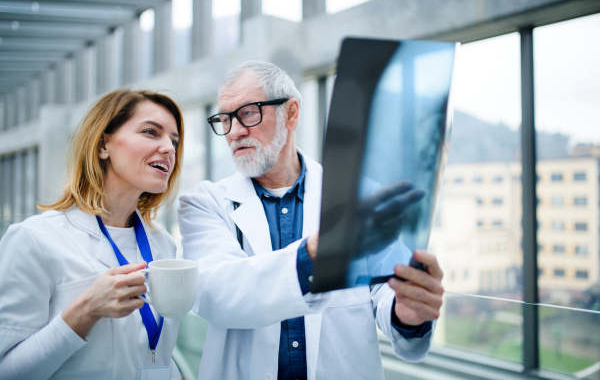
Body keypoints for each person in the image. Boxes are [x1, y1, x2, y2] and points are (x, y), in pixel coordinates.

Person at [178, 61, 444, 380]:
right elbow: (215, 292)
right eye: (224, 119)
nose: (234, 131)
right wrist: (317, 253)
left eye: (247, 113)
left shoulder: (358, 198)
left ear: (291, 113)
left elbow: (388, 290)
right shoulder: (206, 203)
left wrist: (408, 314)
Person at [0, 88, 185, 380]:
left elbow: (154, 356)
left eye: (173, 141)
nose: (168, 148)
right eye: (151, 132)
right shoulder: (34, 239)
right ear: (103, 146)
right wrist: (86, 311)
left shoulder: (163, 245)